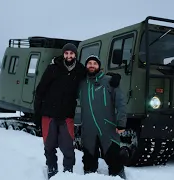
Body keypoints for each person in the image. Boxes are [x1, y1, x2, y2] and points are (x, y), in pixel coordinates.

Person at [33, 43, 122, 179]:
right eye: (66, 53)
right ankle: (51, 171)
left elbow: (96, 75)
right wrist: (37, 113)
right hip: (49, 113)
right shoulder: (52, 69)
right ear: (63, 54)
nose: (69, 56)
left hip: (67, 115)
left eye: (72, 53)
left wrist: (114, 76)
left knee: (68, 149)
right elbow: (40, 91)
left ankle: (68, 174)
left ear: (75, 55)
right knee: (49, 147)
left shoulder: (80, 70)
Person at [78, 55, 127, 179]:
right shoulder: (81, 83)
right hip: (88, 128)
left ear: (99, 66)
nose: (92, 65)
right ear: (86, 66)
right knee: (89, 161)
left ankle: (118, 177)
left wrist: (121, 122)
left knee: (114, 158)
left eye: (95, 63)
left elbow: (121, 103)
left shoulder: (110, 81)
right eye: (89, 63)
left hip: (107, 128)